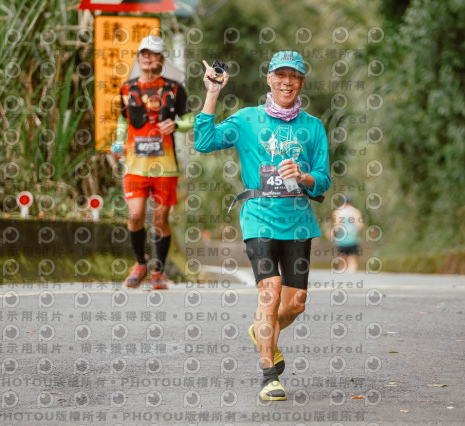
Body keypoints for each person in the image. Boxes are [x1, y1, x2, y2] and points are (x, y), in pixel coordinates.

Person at [194, 51, 331, 401]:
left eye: (294, 76)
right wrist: (212, 93)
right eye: (280, 75)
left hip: (298, 222)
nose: (287, 82)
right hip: (259, 216)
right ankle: (269, 376)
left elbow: (323, 178)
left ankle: (261, 330)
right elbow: (204, 142)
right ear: (269, 79)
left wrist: (304, 176)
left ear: (302, 82)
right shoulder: (247, 119)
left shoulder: (313, 127)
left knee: (295, 304)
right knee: (270, 290)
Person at [111, 35, 194, 290]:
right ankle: (140, 263)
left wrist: (176, 125)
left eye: (153, 54)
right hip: (135, 164)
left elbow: (190, 119)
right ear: (138, 58)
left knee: (160, 219)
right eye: (144, 54)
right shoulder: (127, 88)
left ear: (161, 58)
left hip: (165, 167)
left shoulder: (174, 88)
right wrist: (118, 142)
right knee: (135, 215)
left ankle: (158, 270)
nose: (148, 58)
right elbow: (123, 120)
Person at [331, 195, 364, 272]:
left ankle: (343, 273)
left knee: (342, 259)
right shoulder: (355, 211)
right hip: (352, 238)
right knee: (352, 259)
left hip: (341, 239)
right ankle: (352, 273)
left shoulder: (337, 212)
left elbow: (336, 226)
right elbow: (360, 225)